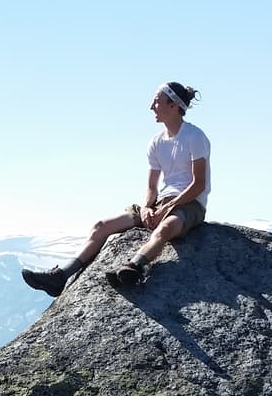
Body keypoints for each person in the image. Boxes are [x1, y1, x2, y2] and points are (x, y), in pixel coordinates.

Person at [22, 81, 210, 296]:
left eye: (157, 101)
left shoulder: (195, 137)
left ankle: (134, 266)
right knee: (101, 226)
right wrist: (148, 207)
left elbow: (198, 184)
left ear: (173, 105)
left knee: (165, 229)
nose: (151, 106)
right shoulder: (156, 142)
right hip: (161, 202)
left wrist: (168, 208)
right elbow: (151, 186)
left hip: (189, 205)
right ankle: (61, 276)